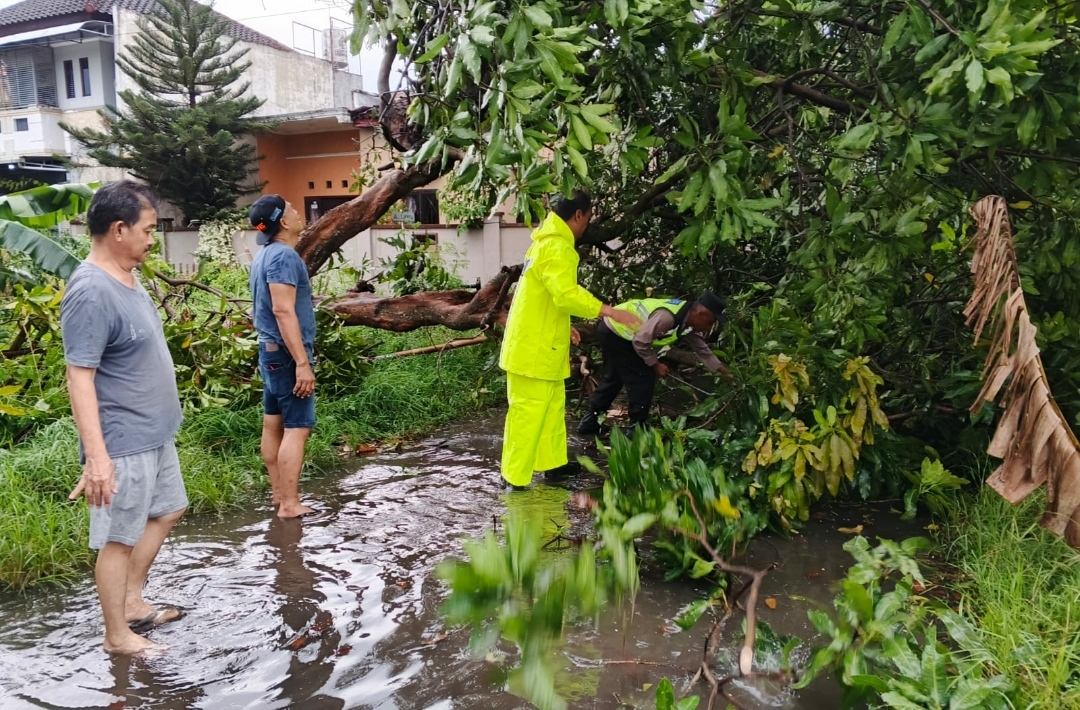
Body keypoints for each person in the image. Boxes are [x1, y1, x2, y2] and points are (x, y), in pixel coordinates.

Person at [61, 181, 187, 655]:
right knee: (118, 538)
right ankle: (117, 636)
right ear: (118, 229)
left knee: (169, 509)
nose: (153, 239)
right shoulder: (91, 291)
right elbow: (80, 376)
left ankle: (132, 603)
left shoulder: (128, 277)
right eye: (149, 229)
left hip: (155, 432)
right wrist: (98, 457)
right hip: (122, 439)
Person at [499, 190, 641, 488]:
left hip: (539, 344)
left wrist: (565, 328)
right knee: (527, 413)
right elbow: (565, 295)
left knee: (550, 409)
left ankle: (552, 465)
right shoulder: (557, 247)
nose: (587, 225)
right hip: (532, 349)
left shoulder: (544, 244)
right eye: (587, 219)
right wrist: (609, 311)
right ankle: (514, 478)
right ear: (578, 215)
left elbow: (545, 298)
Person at [248, 194, 316, 519]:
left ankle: (278, 495)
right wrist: (302, 363)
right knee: (297, 427)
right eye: (291, 208)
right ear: (284, 222)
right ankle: (289, 504)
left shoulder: (264, 256)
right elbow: (282, 309)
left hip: (270, 351)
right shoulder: (285, 257)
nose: (297, 212)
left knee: (272, 424)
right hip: (286, 355)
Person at [577, 293, 730, 435]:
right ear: (701, 314)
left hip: (618, 332)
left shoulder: (687, 321)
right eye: (710, 322)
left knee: (614, 379)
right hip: (617, 333)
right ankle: (636, 430)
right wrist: (655, 364)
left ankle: (590, 422)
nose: (709, 327)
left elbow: (703, 351)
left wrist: (725, 373)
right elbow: (641, 341)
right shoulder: (668, 317)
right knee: (642, 378)